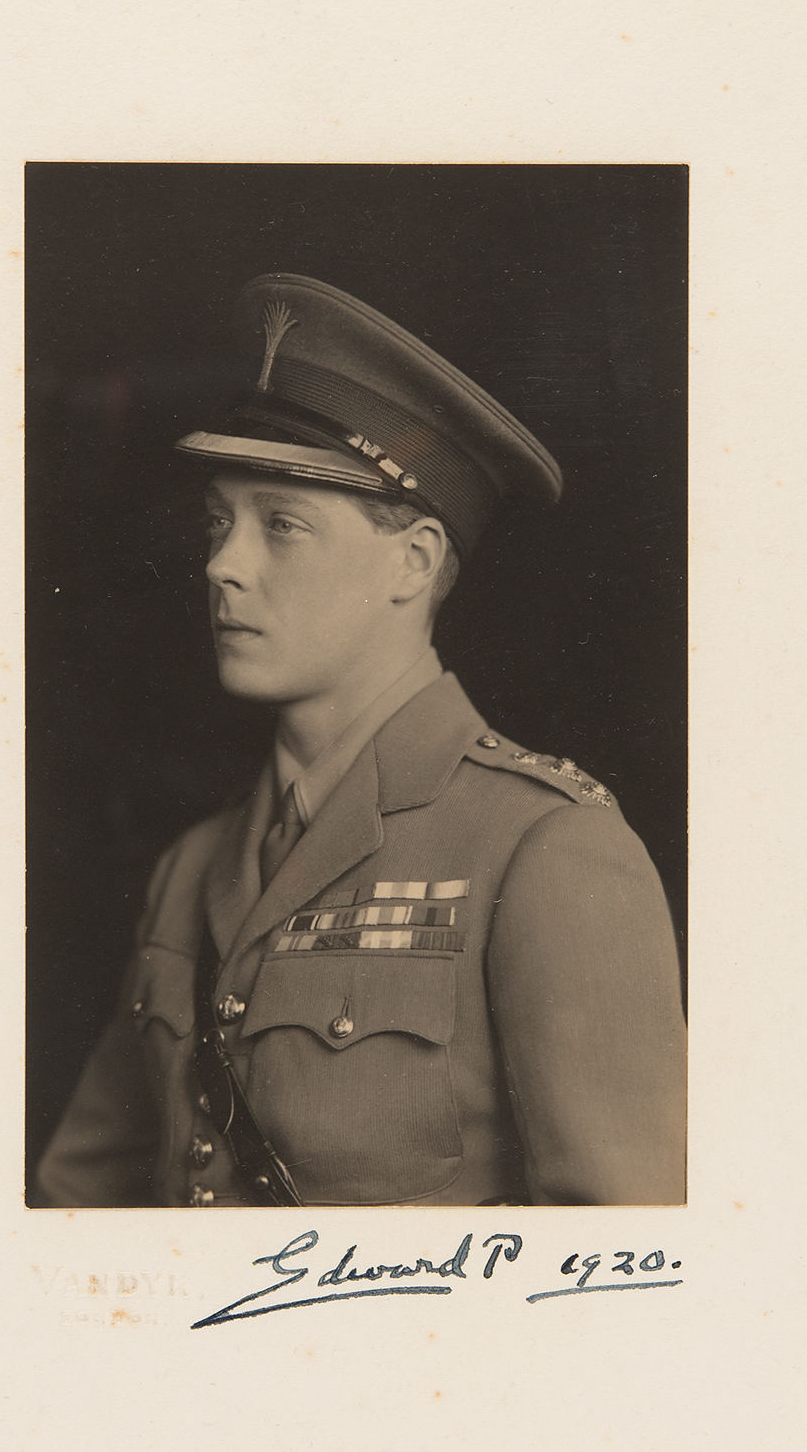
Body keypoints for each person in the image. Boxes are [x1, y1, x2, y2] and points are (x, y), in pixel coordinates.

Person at [36, 273, 685, 1209]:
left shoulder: (546, 851)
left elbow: (618, 1257)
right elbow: (73, 1211)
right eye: (218, 522)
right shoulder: (191, 871)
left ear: (413, 562)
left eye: (282, 526)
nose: (222, 565)